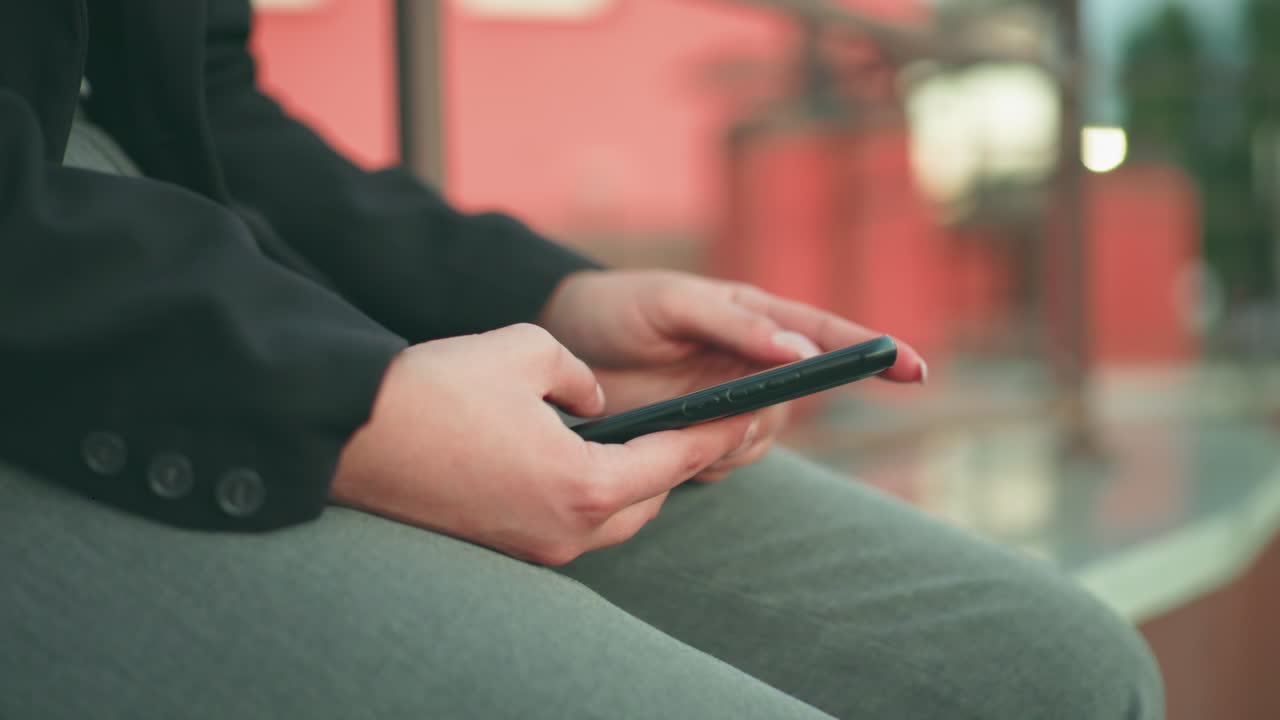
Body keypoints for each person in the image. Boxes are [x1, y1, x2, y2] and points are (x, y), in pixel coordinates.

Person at [0, 1, 1163, 718]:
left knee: (1057, 676)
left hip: (209, 274)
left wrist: (555, 300)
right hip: (62, 320)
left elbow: (199, 104)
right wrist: (333, 397)